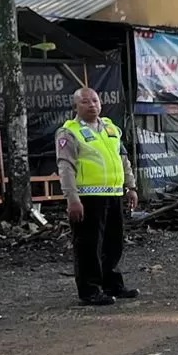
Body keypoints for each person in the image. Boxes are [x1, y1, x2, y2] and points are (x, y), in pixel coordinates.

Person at [56, 88, 138, 307]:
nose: (91, 105)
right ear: (75, 107)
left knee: (114, 243)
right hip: (87, 198)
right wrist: (72, 198)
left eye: (95, 100)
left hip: (113, 194)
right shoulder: (69, 132)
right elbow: (66, 168)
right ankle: (90, 290)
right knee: (88, 246)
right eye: (85, 102)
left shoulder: (111, 128)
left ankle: (112, 285)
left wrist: (131, 186)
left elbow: (123, 159)